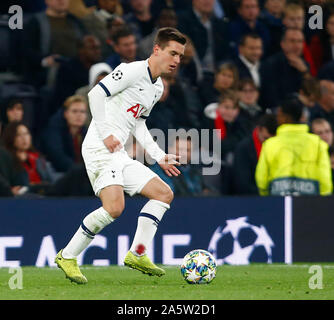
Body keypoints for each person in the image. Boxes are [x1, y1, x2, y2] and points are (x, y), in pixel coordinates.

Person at [54, 27, 187, 284]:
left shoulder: (157, 88)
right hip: (98, 146)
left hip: (118, 153)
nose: (177, 60)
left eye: (180, 55)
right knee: (115, 208)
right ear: (156, 49)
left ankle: (138, 253)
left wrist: (158, 155)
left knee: (164, 193)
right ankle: (67, 255)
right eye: (173, 53)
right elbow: (95, 94)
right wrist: (105, 133)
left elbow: (138, 124)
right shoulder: (131, 70)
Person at [255, 99, 332, 196]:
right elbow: (325, 179)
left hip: (278, 202)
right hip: (310, 204)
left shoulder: (270, 144)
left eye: (279, 113)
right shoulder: (317, 143)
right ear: (302, 116)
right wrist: (322, 201)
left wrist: (267, 197)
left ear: (283, 116)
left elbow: (262, 180)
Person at [23, 0, 86, 87]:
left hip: (76, 68)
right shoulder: (35, 22)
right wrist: (44, 61)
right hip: (49, 72)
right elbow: (26, 51)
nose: (61, 1)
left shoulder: (75, 21)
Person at [2, 122, 60, 195]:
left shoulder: (38, 158)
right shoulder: (7, 159)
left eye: (26, 134)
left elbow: (51, 178)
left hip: (45, 194)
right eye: (19, 135)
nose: (24, 138)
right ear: (11, 138)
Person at [260, 28, 310, 110]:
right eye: (292, 41)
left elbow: (312, 96)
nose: (297, 46)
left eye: (300, 41)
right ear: (283, 44)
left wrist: (305, 72)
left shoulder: (304, 65)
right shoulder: (270, 64)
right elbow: (271, 99)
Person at [177, 0, 230, 73]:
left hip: (216, 73)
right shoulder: (182, 20)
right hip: (191, 72)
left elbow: (225, 52)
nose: (207, 1)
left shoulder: (220, 24)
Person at [41, 95, 88, 173]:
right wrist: (80, 171)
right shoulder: (53, 129)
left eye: (82, 112)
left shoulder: (86, 131)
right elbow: (57, 156)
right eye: (74, 111)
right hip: (55, 172)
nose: (79, 115)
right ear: (66, 114)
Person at [233, 114, 277, 194]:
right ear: (258, 130)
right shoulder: (244, 148)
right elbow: (243, 183)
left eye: (272, 139)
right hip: (252, 197)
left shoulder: (280, 146)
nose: (269, 143)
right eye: (266, 138)